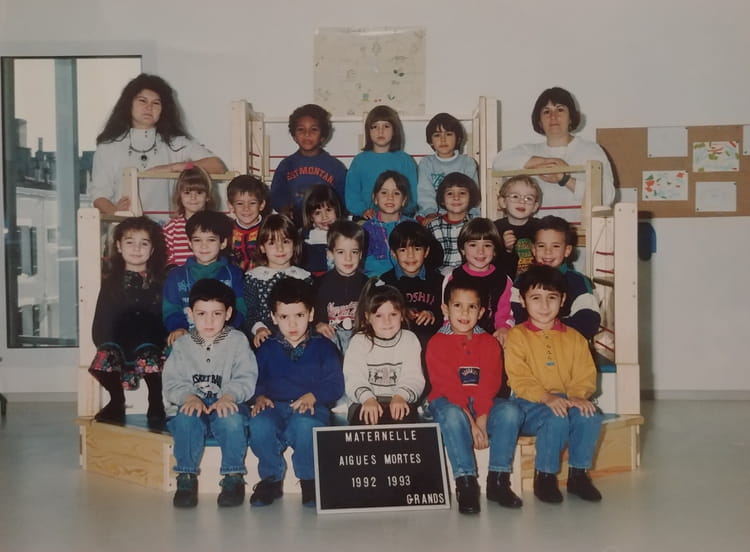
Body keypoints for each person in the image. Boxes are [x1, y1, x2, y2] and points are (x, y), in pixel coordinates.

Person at [498, 264, 603, 503]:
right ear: (523, 301)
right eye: (536, 298)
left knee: (590, 415)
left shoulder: (574, 337)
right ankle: (544, 476)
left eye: (551, 298)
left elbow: (585, 373)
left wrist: (577, 395)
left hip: (566, 400)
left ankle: (578, 475)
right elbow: (519, 377)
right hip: (528, 404)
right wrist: (546, 397)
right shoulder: (517, 336)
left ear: (563, 300)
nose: (544, 306)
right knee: (556, 417)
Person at [426, 279, 523, 514]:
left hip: (481, 403)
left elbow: (489, 384)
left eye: (472, 307)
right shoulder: (437, 342)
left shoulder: (489, 343)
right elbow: (448, 387)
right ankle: (466, 483)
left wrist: (482, 417)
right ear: (445, 309)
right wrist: (471, 423)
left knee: (511, 411)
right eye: (457, 305)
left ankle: (498, 481)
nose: (464, 313)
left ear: (481, 312)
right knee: (452, 415)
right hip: (447, 401)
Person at [248, 278, 344, 508]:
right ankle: (270, 479)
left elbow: (335, 384)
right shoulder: (266, 348)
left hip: (311, 406)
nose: (292, 324)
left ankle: (309, 480)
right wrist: (259, 397)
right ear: (273, 318)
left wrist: (314, 395)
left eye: (299, 315)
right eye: (284, 317)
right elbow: (254, 379)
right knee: (260, 424)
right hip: (273, 405)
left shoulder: (324, 347)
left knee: (305, 425)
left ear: (311, 314)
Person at [162, 279, 258, 508]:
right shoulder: (182, 344)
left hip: (226, 401)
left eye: (217, 314)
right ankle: (186, 476)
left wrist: (229, 396)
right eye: (201, 314)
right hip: (192, 402)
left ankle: (233, 476)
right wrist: (188, 397)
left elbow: (246, 376)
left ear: (228, 313)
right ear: (190, 314)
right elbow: (172, 381)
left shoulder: (237, 341)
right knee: (186, 419)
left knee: (231, 419)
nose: (209, 321)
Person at [91, 73, 225, 218]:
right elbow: (99, 195)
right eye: (142, 101)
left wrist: (174, 167)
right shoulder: (108, 147)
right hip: (126, 227)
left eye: (156, 103)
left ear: (163, 110)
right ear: (128, 104)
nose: (149, 107)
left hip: (167, 229)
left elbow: (217, 165)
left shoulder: (177, 143)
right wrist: (117, 213)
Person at [491, 86, 615, 223]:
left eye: (560, 110)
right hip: (537, 234)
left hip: (581, 233)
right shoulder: (529, 150)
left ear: (571, 117)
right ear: (539, 121)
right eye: (546, 111)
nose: (553, 116)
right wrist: (545, 162)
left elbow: (607, 196)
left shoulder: (591, 150)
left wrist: (564, 179)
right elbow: (498, 163)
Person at [89, 216, 167, 425]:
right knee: (105, 358)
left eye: (144, 243)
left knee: (149, 355)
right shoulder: (111, 282)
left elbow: (161, 313)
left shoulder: (159, 281)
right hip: (118, 338)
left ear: (152, 249)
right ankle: (117, 400)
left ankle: (155, 400)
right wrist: (103, 340)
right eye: (130, 242)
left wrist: (164, 337)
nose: (136, 248)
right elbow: (103, 313)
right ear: (119, 246)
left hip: (150, 336)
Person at [344, 280, 425, 425]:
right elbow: (354, 377)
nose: (387, 321)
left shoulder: (409, 339)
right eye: (379, 316)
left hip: (400, 399)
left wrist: (401, 396)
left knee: (404, 420)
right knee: (367, 420)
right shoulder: (359, 341)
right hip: (365, 402)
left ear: (402, 315)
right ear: (368, 317)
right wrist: (367, 398)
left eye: (393, 314)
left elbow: (414, 377)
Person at [162, 210, 246, 345]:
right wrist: (178, 327)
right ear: (189, 243)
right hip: (187, 336)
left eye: (211, 240)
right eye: (197, 240)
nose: (204, 246)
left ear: (223, 242)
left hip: (224, 336)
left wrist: (227, 328)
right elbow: (170, 309)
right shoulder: (176, 276)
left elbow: (241, 309)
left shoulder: (234, 273)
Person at [510, 215, 600, 340]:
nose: (548, 252)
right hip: (530, 342)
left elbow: (588, 321)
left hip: (567, 343)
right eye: (541, 246)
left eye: (556, 246)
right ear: (534, 250)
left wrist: (551, 330)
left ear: (567, 250)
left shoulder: (578, 282)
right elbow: (516, 315)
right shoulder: (522, 280)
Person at [270, 104, 347, 225]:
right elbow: (276, 194)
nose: (307, 134)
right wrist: (283, 208)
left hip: (325, 225)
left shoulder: (335, 167)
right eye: (301, 129)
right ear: (294, 136)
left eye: (314, 129)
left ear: (322, 136)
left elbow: (343, 198)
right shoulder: (286, 165)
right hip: (295, 225)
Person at [243, 214, 311, 348]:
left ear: (294, 244)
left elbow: (309, 310)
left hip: (299, 334)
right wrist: (259, 329)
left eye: (285, 242)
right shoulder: (255, 278)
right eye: (272, 243)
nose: (280, 248)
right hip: (267, 336)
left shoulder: (303, 277)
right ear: (262, 247)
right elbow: (251, 312)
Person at [446, 218, 514, 346]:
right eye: (473, 245)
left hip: (491, 338)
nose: (480, 251)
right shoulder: (453, 277)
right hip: (457, 335)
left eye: (487, 245)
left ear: (495, 250)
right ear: (462, 249)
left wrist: (503, 328)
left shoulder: (503, 280)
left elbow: (505, 314)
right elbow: (447, 315)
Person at [379, 221, 443, 353]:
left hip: (430, 345)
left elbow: (445, 313)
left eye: (417, 249)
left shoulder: (439, 281)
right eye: (403, 250)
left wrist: (432, 314)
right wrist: (401, 313)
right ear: (393, 253)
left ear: (426, 252)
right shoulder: (385, 283)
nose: (410, 255)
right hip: (396, 346)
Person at [345, 105, 418, 218]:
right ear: (368, 131)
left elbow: (412, 197)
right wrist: (363, 211)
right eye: (375, 127)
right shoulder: (359, 161)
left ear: (394, 131)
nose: (380, 131)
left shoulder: (405, 160)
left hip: (398, 217)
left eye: (386, 126)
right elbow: (352, 195)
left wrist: (400, 210)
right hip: (367, 218)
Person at [312, 221, 368, 354]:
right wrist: (318, 324)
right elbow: (311, 314)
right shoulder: (319, 284)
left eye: (354, 252)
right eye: (341, 252)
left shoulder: (368, 285)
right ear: (330, 254)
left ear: (361, 254)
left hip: (360, 344)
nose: (348, 258)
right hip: (330, 343)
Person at [417, 113, 479, 223]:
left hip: (462, 213)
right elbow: (425, 192)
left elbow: (473, 193)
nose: (443, 139)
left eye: (448, 134)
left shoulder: (467, 163)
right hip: (433, 214)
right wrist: (430, 212)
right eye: (437, 135)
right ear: (430, 141)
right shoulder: (426, 163)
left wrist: (472, 215)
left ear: (458, 138)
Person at [426, 172, 482, 274]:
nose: (456, 197)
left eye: (462, 193)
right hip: (440, 276)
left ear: (471, 198)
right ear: (442, 199)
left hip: (471, 274)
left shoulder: (478, 224)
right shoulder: (433, 226)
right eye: (450, 193)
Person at [362, 171, 414, 277]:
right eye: (384, 192)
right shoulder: (366, 229)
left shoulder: (413, 226)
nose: (390, 197)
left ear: (404, 200)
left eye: (396, 193)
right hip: (376, 279)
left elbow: (419, 257)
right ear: (375, 198)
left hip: (406, 278)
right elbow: (365, 262)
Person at [163, 164, 216, 268]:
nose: (193, 198)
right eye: (187, 193)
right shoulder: (170, 229)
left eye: (199, 192)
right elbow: (167, 262)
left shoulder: (217, 225)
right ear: (180, 196)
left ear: (208, 196)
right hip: (180, 277)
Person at [494, 175, 542, 277]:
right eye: (515, 196)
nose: (522, 201)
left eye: (528, 198)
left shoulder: (540, 228)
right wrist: (505, 249)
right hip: (505, 280)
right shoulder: (495, 229)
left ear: (535, 206)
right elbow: (490, 263)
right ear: (503, 202)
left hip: (535, 280)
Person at [226, 174, 268, 273]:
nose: (246, 208)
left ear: (261, 205)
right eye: (240, 203)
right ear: (231, 206)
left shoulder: (268, 229)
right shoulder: (227, 230)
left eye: (252, 203)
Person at [300, 184, 342, 277]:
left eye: (328, 210)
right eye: (318, 213)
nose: (324, 217)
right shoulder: (308, 238)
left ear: (336, 210)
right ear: (311, 217)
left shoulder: (345, 234)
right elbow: (307, 264)